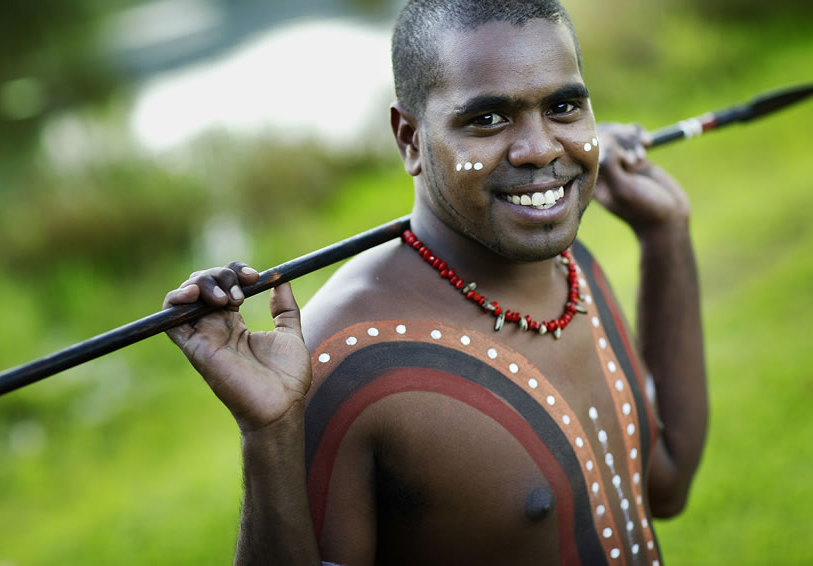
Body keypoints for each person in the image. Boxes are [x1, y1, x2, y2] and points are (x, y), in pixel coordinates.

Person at [163, 0, 708, 563]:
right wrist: (270, 436)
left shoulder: (573, 268)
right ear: (410, 139)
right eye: (488, 119)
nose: (541, 148)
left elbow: (665, 485)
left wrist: (664, 234)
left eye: (564, 107)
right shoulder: (343, 360)